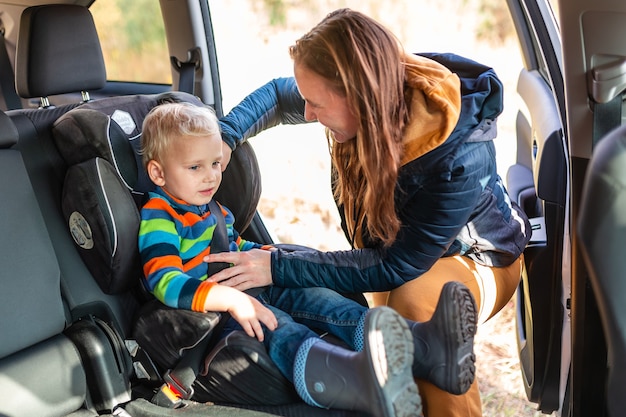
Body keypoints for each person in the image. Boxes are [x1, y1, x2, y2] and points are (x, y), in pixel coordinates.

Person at [205, 8, 531, 417]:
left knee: (415, 312)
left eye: (316, 104)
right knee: (374, 339)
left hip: (476, 259)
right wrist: (224, 137)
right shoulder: (369, 97)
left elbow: (401, 264)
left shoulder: (457, 154)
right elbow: (275, 95)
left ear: (359, 96)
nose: (307, 114)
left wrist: (280, 267)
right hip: (395, 254)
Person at [137, 101, 477, 416]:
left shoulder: (211, 209)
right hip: (211, 313)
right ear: (158, 174)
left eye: (215, 164)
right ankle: (354, 381)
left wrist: (260, 253)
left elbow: (231, 244)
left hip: (243, 287)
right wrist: (229, 300)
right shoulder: (160, 216)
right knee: (279, 327)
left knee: (321, 301)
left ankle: (426, 349)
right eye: (195, 167)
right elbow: (164, 281)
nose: (211, 176)